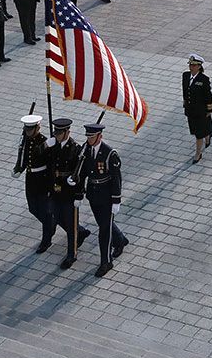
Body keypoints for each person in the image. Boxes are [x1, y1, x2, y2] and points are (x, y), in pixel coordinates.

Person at [76, 122, 129, 277]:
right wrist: (79, 193)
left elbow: (116, 178)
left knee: (104, 231)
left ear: (100, 136)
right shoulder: (85, 150)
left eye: (92, 137)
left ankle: (106, 262)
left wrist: (116, 200)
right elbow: (83, 173)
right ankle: (120, 240)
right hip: (93, 194)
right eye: (88, 137)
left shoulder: (109, 154)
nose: (89, 139)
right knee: (103, 223)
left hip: (106, 196)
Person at [47, 117, 91, 270]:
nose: (57, 135)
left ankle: (72, 254)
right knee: (57, 217)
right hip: (55, 191)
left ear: (67, 132)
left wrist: (79, 194)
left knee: (71, 225)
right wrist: (46, 146)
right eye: (56, 132)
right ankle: (82, 232)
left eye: (60, 133)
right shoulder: (54, 146)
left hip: (69, 193)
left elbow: (80, 173)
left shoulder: (75, 149)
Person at [14, 114, 55, 252]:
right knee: (33, 208)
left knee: (44, 211)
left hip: (42, 179)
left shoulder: (45, 141)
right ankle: (50, 224)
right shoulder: (26, 140)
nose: (28, 132)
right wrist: (19, 168)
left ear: (38, 128)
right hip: (31, 178)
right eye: (26, 129)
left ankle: (46, 239)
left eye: (31, 129)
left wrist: (51, 184)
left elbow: (50, 165)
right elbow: (25, 157)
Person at [182, 54, 212, 164]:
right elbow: (185, 92)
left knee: (199, 134)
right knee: (195, 130)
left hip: (200, 111)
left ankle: (198, 153)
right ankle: (208, 135)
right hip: (190, 111)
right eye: (190, 65)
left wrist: (209, 110)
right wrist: (185, 105)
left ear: (199, 66)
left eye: (194, 65)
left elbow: (208, 96)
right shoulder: (185, 76)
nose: (191, 67)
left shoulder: (204, 79)